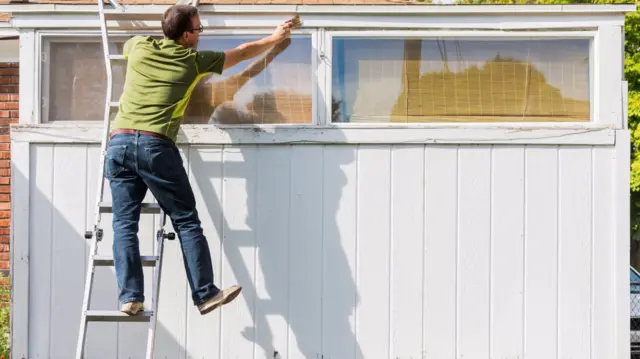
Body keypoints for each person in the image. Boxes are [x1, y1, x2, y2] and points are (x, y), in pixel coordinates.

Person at [105, 4, 297, 316]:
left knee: (124, 223)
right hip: (154, 145)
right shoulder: (193, 61)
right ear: (184, 36)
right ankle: (205, 293)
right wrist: (275, 37)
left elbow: (127, 46)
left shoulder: (139, 46)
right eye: (198, 30)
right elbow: (244, 53)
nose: (201, 34)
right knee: (185, 220)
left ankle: (129, 296)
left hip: (118, 143)